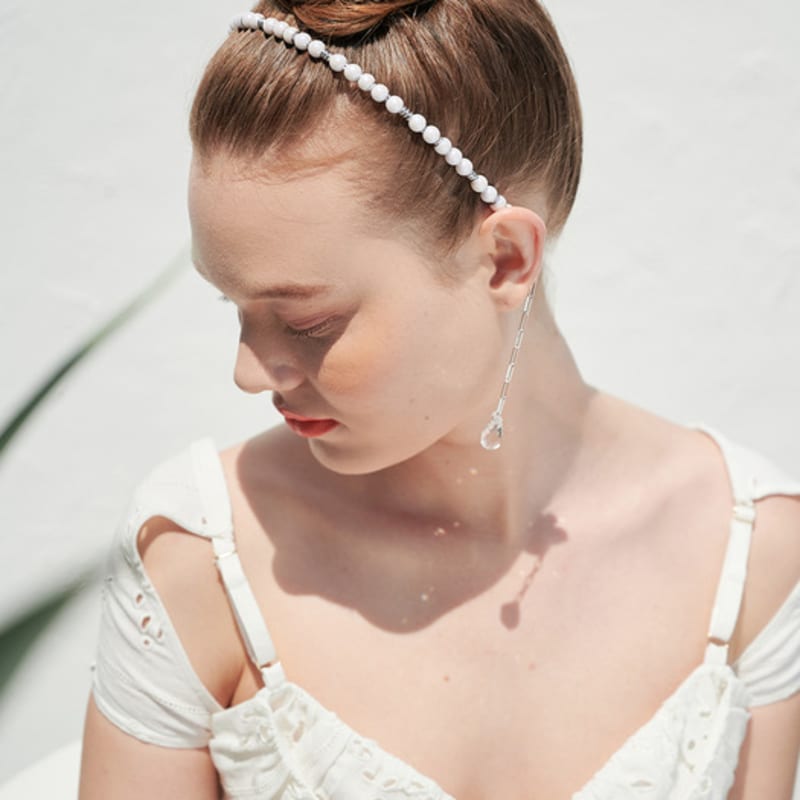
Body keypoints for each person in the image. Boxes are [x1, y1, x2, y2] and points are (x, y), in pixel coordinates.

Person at [78, 1, 800, 798]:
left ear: (505, 260)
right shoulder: (199, 562)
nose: (249, 373)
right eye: (233, 305)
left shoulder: (751, 556)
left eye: (309, 321)